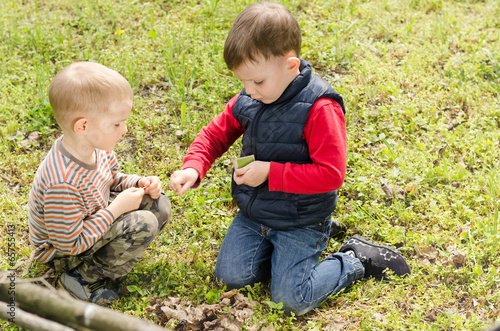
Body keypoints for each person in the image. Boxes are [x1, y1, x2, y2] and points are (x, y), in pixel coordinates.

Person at [169, 2, 410, 315]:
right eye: (243, 82)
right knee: (231, 277)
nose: (248, 91)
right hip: (256, 214)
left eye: (257, 81)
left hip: (301, 217)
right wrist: (193, 166)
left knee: (292, 299)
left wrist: (270, 172)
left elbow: (331, 174)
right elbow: (215, 134)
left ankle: (354, 259)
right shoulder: (250, 97)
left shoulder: (320, 108)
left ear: (290, 66)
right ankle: (284, 252)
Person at [28, 62, 171, 304]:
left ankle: (104, 263)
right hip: (62, 252)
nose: (124, 129)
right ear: (82, 126)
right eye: (116, 124)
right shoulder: (61, 183)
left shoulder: (95, 148)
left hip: (90, 220)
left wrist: (138, 182)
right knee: (143, 222)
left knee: (158, 205)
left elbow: (110, 177)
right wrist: (117, 209)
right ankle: (79, 279)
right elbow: (71, 243)